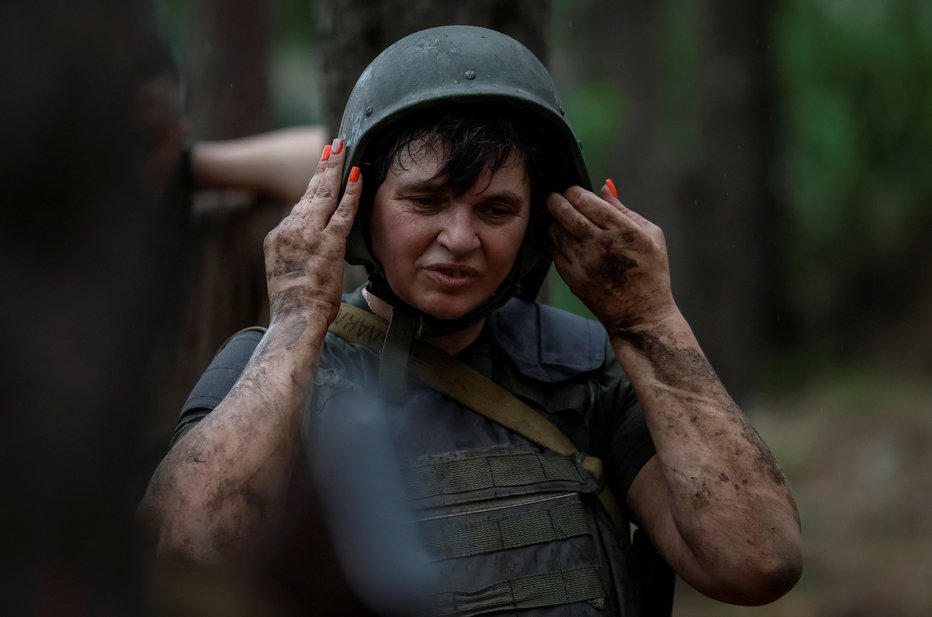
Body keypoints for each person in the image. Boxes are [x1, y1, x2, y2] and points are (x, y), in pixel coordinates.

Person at [139, 25, 802, 616]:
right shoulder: (277, 371)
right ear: (360, 206)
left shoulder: (587, 370)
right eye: (426, 201)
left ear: (537, 223)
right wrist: (294, 321)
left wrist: (650, 320)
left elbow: (756, 560)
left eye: (495, 210)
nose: (459, 238)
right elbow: (177, 555)